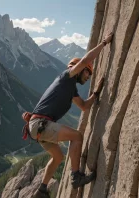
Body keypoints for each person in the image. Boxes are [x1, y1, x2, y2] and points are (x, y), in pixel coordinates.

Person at [30, 32, 114, 198]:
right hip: (41, 124)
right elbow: (84, 60)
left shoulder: (71, 89)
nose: (88, 77)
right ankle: (76, 176)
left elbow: (83, 106)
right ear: (80, 70)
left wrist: (96, 92)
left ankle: (41, 190)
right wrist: (104, 43)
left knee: (58, 157)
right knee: (77, 137)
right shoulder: (66, 76)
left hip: (37, 128)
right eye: (87, 73)